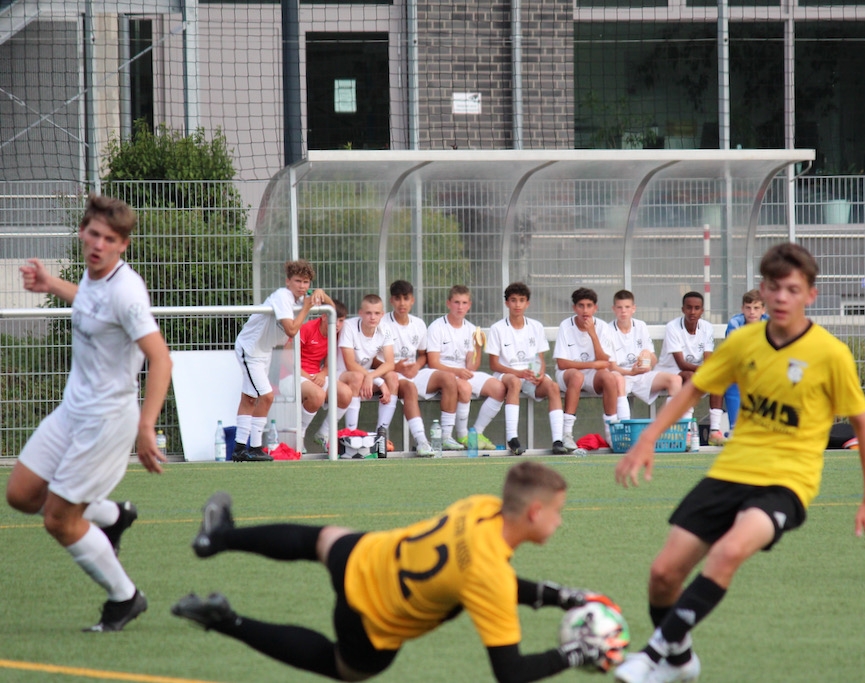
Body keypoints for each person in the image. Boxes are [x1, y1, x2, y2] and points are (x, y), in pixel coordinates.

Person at [612, 242, 865, 683]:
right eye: (774, 288)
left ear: (810, 295)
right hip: (730, 471)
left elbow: (863, 425)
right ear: (763, 289)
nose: (781, 297)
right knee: (663, 574)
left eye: (792, 289)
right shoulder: (743, 342)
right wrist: (647, 437)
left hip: (786, 483)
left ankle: (650, 656)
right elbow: (694, 389)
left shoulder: (830, 353)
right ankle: (681, 662)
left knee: (727, 552)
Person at [172, 462, 625, 681]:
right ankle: (226, 621)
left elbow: (487, 577)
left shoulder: (481, 507)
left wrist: (563, 597)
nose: (560, 521)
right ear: (534, 513)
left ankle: (218, 538)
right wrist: (577, 652)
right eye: (557, 512)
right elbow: (510, 673)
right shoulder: (488, 575)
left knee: (321, 540)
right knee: (344, 668)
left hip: (366, 557)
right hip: (372, 621)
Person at [6, 194, 172, 631]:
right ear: (82, 232)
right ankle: (114, 516)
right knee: (21, 495)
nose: (99, 244)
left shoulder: (128, 292)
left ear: (123, 245)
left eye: (110, 239)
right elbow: (91, 301)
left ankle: (125, 597)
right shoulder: (95, 276)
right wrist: (51, 284)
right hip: (72, 410)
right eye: (94, 234)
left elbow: (161, 358)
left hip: (106, 422)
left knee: (59, 520)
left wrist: (147, 426)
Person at [233, 259, 326, 462]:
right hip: (250, 349)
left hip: (264, 351)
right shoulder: (283, 296)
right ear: (288, 281)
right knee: (266, 396)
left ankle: (242, 449)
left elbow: (333, 307)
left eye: (306, 282)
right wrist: (306, 308)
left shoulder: (301, 299)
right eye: (298, 281)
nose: (302, 286)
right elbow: (291, 330)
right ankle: (251, 447)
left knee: (249, 397)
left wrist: (320, 292)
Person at [381, 280, 467, 456]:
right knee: (410, 388)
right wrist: (394, 367)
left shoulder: (418, 324)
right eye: (398, 298)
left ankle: (446, 436)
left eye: (406, 298)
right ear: (391, 301)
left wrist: (417, 366)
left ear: (412, 300)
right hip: (390, 374)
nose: (402, 303)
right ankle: (421, 441)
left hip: (414, 373)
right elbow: (373, 358)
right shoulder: (382, 323)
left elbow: (423, 354)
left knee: (448, 378)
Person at [485, 283, 571, 455]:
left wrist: (539, 373)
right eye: (513, 300)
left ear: (527, 303)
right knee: (515, 382)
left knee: (553, 387)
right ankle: (512, 438)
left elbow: (540, 358)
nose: (517, 304)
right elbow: (494, 364)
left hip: (530, 375)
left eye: (521, 300)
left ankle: (558, 441)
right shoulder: (497, 328)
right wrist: (519, 373)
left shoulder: (536, 326)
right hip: (507, 374)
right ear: (507, 303)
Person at [425, 285, 508, 451]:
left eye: (464, 303)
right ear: (448, 303)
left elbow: (472, 366)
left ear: (469, 305)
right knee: (465, 387)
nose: (460, 307)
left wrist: (477, 347)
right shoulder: (437, 326)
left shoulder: (471, 329)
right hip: (441, 374)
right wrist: (457, 372)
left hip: (462, 373)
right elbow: (433, 362)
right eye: (456, 302)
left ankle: (476, 432)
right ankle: (462, 435)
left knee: (499, 389)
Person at [553, 287, 624, 449]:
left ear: (595, 308)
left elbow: (604, 361)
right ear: (574, 308)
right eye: (581, 305)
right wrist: (592, 364)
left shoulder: (602, 327)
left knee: (609, 378)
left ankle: (611, 435)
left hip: (593, 376)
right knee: (577, 376)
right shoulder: (565, 325)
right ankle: (567, 434)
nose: (585, 310)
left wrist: (592, 334)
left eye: (589, 306)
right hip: (568, 375)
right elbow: (562, 363)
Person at [280, 298, 353, 452]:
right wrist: (308, 376)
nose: (337, 324)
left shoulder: (335, 334)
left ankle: (324, 433)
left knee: (346, 394)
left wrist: (322, 374)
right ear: (324, 316)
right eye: (335, 319)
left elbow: (328, 365)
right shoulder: (307, 328)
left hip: (313, 378)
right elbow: (286, 358)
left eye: (341, 320)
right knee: (318, 394)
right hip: (290, 377)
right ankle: (299, 435)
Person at [653, 291, 726, 446]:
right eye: (689, 307)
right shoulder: (673, 327)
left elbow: (708, 359)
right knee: (690, 377)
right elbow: (681, 364)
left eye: (697, 308)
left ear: (702, 311)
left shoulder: (707, 327)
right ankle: (686, 431)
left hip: (694, 371)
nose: (692, 312)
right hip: (669, 370)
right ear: (683, 309)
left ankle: (714, 432)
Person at [608, 290, 682, 417]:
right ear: (614, 309)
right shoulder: (607, 330)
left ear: (634, 308)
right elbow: (611, 367)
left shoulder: (640, 326)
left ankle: (668, 423)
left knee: (675, 380)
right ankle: (624, 425)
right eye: (619, 307)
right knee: (617, 380)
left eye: (627, 307)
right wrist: (632, 372)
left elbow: (653, 360)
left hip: (641, 375)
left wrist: (647, 357)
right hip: (621, 375)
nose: (623, 311)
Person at [338, 294, 398, 440]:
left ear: (382, 314)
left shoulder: (385, 328)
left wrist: (371, 377)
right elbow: (350, 364)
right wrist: (378, 381)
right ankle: (351, 435)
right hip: (342, 374)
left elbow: (390, 363)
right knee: (357, 377)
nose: (372, 317)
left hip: (365, 375)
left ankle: (381, 435)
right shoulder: (349, 326)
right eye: (368, 313)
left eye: (377, 313)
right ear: (360, 313)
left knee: (393, 377)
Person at [722, 289, 768, 436]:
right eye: (748, 308)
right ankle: (735, 428)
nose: (752, 312)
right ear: (742, 309)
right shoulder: (735, 323)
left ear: (763, 310)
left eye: (756, 308)